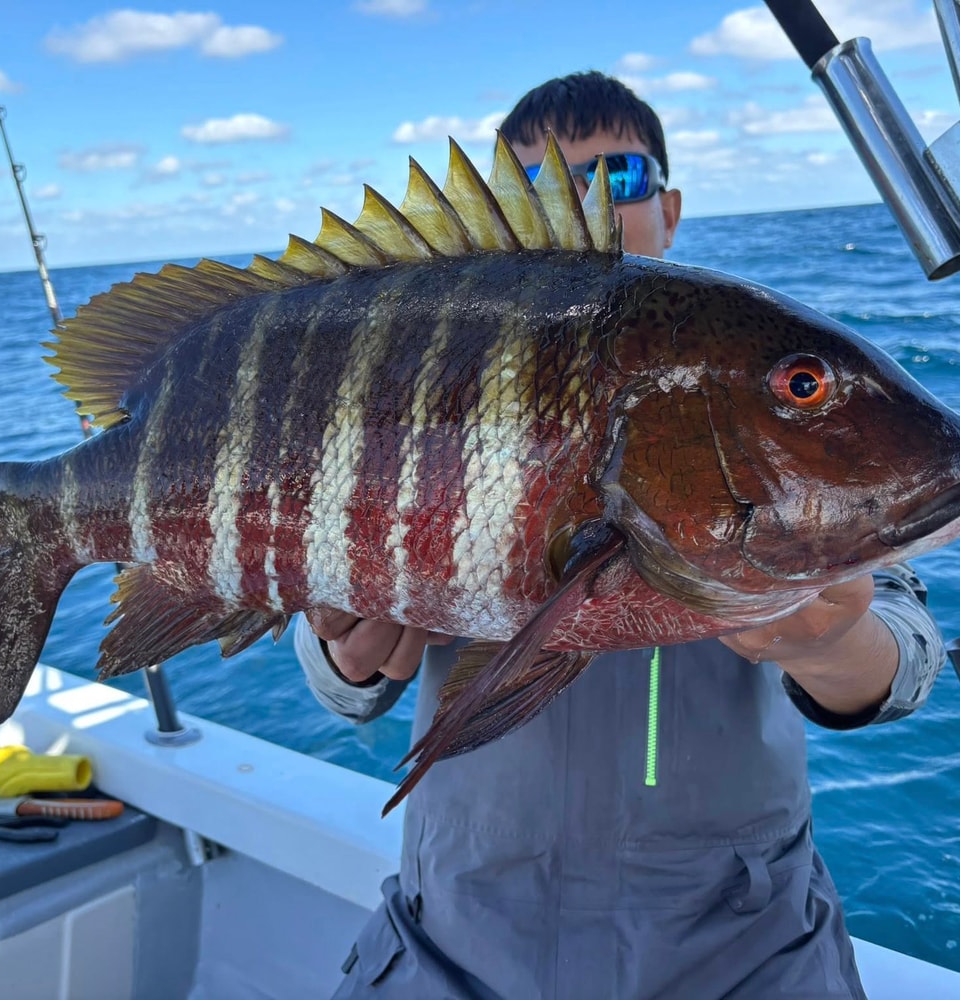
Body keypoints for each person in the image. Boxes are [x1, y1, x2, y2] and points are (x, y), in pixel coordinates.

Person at [293, 70, 946, 999]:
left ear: (670, 208)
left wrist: (841, 644)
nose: (589, 202)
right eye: (542, 186)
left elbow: (905, 651)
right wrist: (345, 655)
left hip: (741, 956)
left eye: (620, 176)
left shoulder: (737, 364)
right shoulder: (416, 374)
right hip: (459, 944)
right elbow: (321, 639)